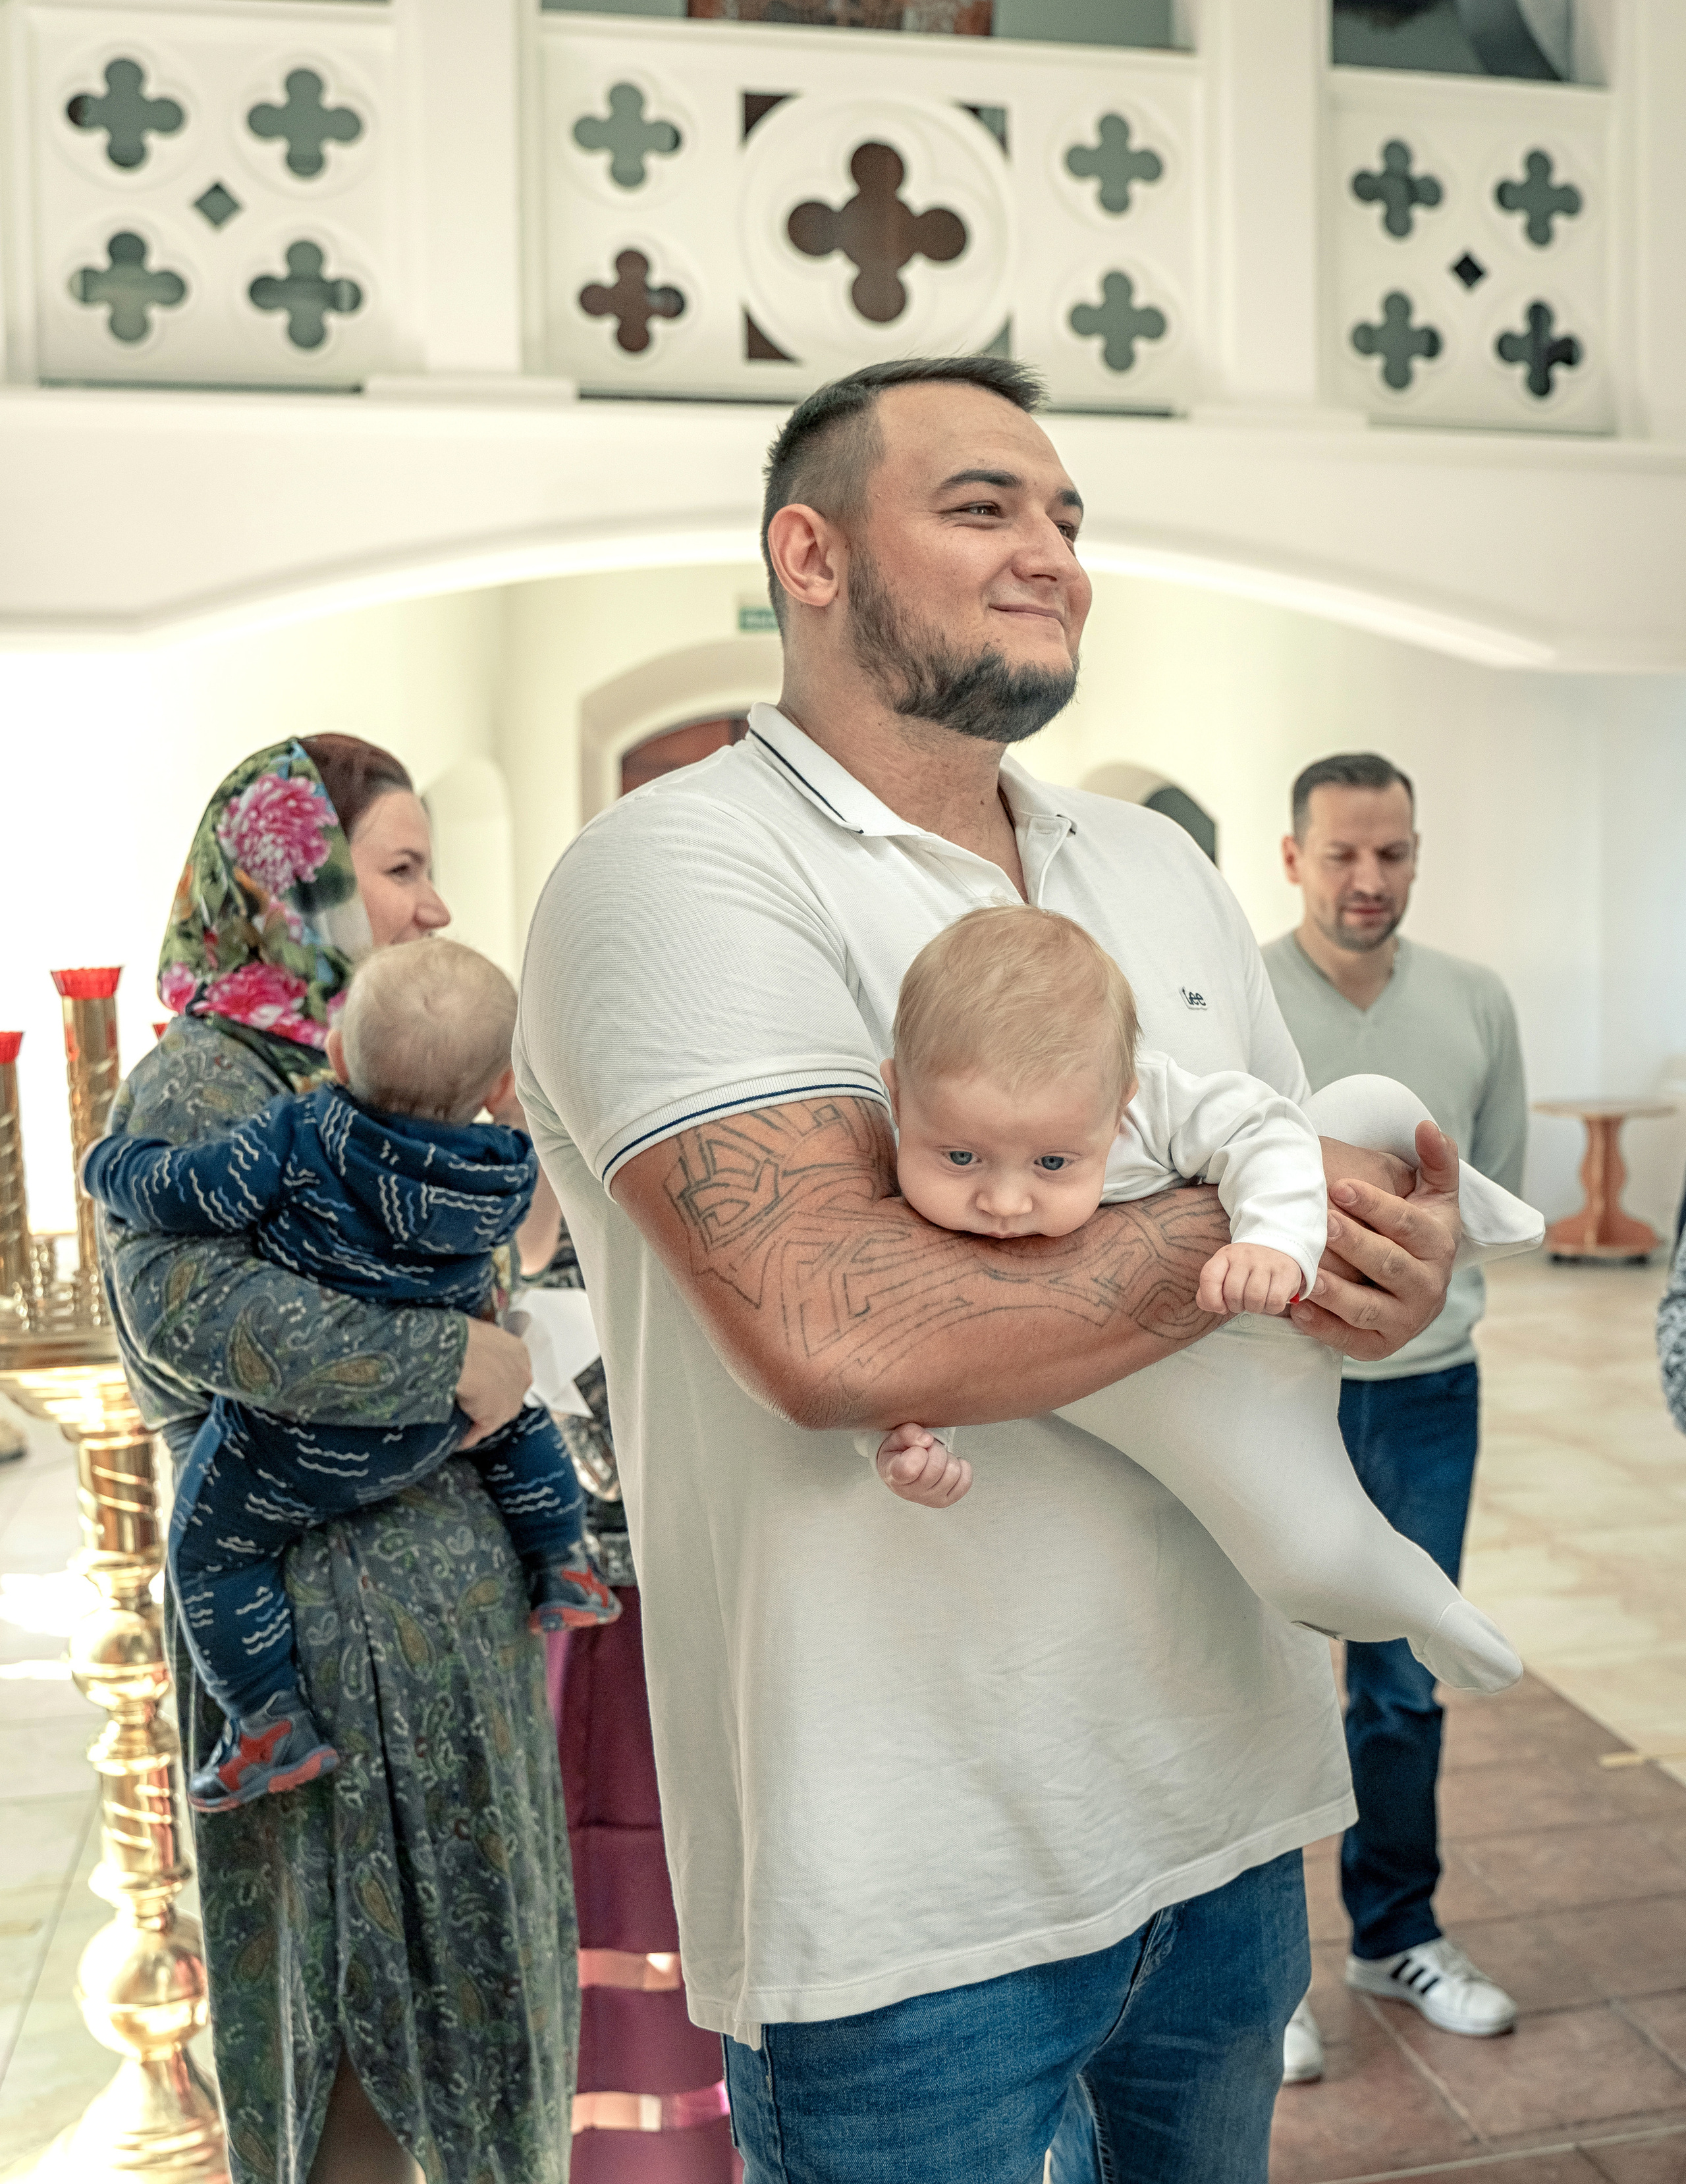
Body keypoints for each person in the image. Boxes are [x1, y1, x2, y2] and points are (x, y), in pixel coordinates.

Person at [514, 356, 1471, 2184]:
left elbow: (1299, 1235)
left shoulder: (1155, 866)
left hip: (1221, 1805)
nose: (1052, 553)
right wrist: (1254, 1226)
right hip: (904, 1877)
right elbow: (838, 1318)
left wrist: (1376, 1272)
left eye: (1065, 516)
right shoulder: (676, 874)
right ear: (810, 551)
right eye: (981, 508)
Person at [98, 735, 575, 2184]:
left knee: (482, 2009)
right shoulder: (206, 1078)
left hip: (449, 1632)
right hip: (312, 1630)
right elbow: (182, 1311)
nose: (433, 907)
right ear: (288, 888)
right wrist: (448, 1363)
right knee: (356, 2022)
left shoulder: (374, 1077)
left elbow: (512, 1255)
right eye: (399, 869)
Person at [867, 905, 1531, 1694]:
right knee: (1302, 1555)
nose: (1005, 1199)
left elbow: (1269, 1128)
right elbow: (913, 1340)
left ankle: (1478, 1215)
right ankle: (1431, 1610)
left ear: (1118, 1106)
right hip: (1199, 1397)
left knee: (1367, 1103)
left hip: (1273, 1288)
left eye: (1052, 1160)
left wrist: (1273, 1240)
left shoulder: (1149, 1103)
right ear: (897, 1095)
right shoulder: (889, 1184)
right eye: (962, 1155)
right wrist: (911, 1442)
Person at [86, 939, 616, 1815]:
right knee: (519, 1423)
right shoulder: (500, 1169)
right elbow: (521, 1250)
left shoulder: (302, 1134)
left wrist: (112, 1165)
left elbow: (193, 1192)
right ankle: (562, 1559)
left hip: (303, 1447)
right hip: (444, 1426)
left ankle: (265, 1717)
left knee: (209, 1551)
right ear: (495, 1090)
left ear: (334, 1056)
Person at [1265, 752, 1529, 2082]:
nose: (1367, 880)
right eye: (1341, 855)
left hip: (1425, 1392)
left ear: (1413, 855)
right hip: (1267, 1395)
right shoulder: (1238, 997)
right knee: (1247, 1672)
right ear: (1290, 856)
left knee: (1401, 1679)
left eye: (1392, 854)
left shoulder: (1475, 1000)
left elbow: (1496, 1200)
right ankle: (1265, 1981)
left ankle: (1394, 1931)